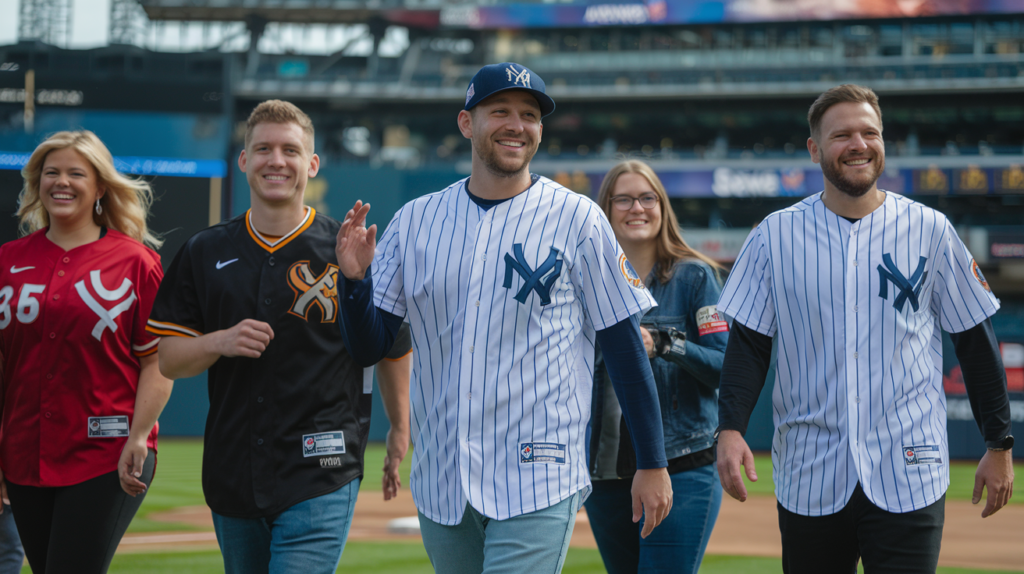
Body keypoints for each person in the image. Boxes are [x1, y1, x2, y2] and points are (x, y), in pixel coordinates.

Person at [334, 62, 673, 574]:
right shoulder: (415, 220)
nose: (517, 124)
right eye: (501, 111)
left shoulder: (577, 217)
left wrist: (651, 460)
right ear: (467, 123)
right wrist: (355, 284)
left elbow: (624, 347)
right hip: (445, 475)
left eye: (530, 115)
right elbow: (369, 347)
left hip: (540, 470)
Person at [715, 84, 1014, 574]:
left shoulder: (930, 229)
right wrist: (730, 429)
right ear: (815, 149)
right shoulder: (774, 235)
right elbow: (748, 347)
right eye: (841, 135)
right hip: (811, 469)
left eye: (869, 132)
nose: (858, 144)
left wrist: (998, 445)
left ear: (883, 141)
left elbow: (976, 344)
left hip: (909, 467)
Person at [147, 100, 413, 574]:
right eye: (263, 148)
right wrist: (218, 342)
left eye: (290, 150)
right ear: (244, 160)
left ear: (311, 163)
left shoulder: (348, 249)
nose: (277, 160)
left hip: (323, 466)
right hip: (234, 468)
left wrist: (399, 428)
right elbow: (168, 359)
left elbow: (392, 347)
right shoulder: (204, 251)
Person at [0, 130, 173, 573]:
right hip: (23, 453)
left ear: (99, 187)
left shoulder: (135, 262)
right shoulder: (8, 260)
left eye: (77, 173)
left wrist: (140, 435)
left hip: (107, 451)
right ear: (37, 183)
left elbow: (158, 360)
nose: (62, 182)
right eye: (51, 172)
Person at [586, 160, 728, 574]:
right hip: (606, 474)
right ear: (606, 209)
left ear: (662, 208)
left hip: (682, 465)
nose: (637, 208)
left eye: (648, 198)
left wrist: (666, 343)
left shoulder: (695, 277)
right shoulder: (587, 280)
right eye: (624, 199)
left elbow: (723, 365)